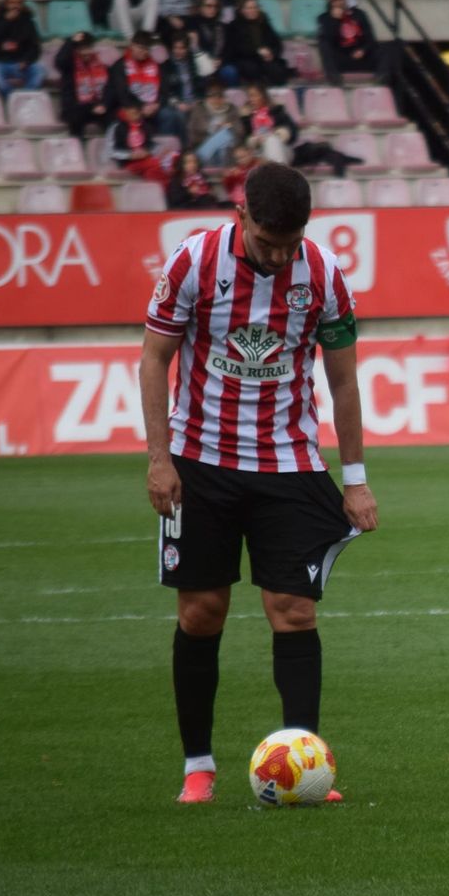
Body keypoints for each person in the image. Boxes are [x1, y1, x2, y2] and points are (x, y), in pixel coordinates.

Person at [139, 161, 378, 804]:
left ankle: (304, 763)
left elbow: (345, 380)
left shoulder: (324, 275)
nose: (278, 257)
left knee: (294, 611)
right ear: (241, 215)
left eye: (289, 244)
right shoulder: (193, 263)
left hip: (290, 463)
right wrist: (159, 458)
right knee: (201, 612)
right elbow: (154, 357)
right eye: (267, 243)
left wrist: (354, 480)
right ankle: (198, 765)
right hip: (200, 462)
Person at [240, 82, 362, 176]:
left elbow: (293, 133)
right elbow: (244, 140)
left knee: (271, 140)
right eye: (249, 96)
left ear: (263, 96)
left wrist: (278, 134)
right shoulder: (247, 116)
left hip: (280, 151)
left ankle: (278, 177)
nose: (251, 99)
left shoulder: (277, 111)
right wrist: (252, 133)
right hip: (257, 154)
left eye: (254, 95)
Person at [108, 30, 184, 137]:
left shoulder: (156, 65)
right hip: (132, 107)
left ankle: (166, 148)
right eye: (140, 48)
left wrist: (157, 104)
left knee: (171, 115)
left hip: (154, 107)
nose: (143, 52)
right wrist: (141, 106)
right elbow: (122, 94)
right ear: (132, 45)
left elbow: (164, 90)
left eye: (146, 49)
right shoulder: (120, 66)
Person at [316, 0, 392, 87]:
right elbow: (329, 41)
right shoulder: (324, 18)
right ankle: (333, 78)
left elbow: (371, 39)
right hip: (341, 59)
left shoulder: (359, 14)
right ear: (330, 3)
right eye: (334, 1)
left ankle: (381, 78)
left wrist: (363, 50)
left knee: (392, 45)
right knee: (323, 42)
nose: (338, 3)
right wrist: (334, 20)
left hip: (362, 58)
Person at [0, 0, 45, 99]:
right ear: (6, 3)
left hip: (21, 64)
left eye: (18, 3)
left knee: (39, 71)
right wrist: (6, 21)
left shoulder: (28, 22)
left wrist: (26, 60)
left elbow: (35, 47)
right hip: (0, 63)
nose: (15, 6)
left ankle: (24, 98)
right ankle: (12, 99)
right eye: (12, 3)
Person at [56, 30, 112, 136]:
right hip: (76, 107)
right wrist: (70, 41)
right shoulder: (69, 67)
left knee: (113, 118)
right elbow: (60, 61)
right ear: (76, 50)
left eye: (89, 48)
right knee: (76, 118)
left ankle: (111, 149)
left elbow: (109, 89)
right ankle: (76, 148)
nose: (86, 52)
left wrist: (104, 104)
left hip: (97, 106)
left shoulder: (102, 67)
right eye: (82, 49)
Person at [226, 0, 291, 87]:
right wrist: (258, 52)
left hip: (266, 58)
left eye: (255, 7)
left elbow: (277, 43)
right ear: (241, 10)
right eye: (249, 8)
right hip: (245, 59)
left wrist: (271, 53)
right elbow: (236, 48)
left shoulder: (264, 23)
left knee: (276, 70)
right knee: (251, 69)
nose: (253, 10)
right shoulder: (234, 26)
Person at [108, 100, 175, 184]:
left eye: (137, 112)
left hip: (146, 160)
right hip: (128, 162)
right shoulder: (116, 127)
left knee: (154, 170)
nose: (136, 114)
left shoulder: (145, 126)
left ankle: (156, 191)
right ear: (125, 111)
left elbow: (151, 145)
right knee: (159, 164)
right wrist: (130, 155)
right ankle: (165, 191)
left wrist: (147, 152)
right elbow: (111, 151)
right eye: (132, 111)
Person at [187, 79, 244, 167]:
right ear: (207, 97)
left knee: (225, 137)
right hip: (203, 151)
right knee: (224, 134)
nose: (216, 99)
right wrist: (213, 128)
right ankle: (221, 169)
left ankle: (221, 171)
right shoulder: (199, 109)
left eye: (220, 95)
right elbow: (192, 136)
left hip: (228, 150)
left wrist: (228, 126)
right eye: (212, 95)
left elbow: (240, 131)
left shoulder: (231, 109)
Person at [187, 0, 238, 86]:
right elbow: (193, 47)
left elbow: (230, 47)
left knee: (230, 71)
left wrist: (221, 60)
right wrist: (208, 61)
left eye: (215, 6)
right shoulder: (192, 23)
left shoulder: (222, 25)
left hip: (219, 63)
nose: (212, 9)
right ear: (200, 7)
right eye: (208, 6)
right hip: (200, 63)